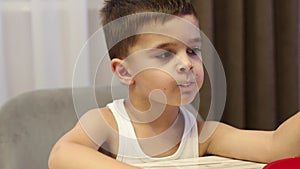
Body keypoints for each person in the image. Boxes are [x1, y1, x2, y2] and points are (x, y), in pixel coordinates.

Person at [48, 0, 300, 169]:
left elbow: (274, 147)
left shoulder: (201, 136)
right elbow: (61, 154)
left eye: (192, 50)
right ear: (125, 71)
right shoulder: (106, 124)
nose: (186, 64)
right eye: (165, 54)